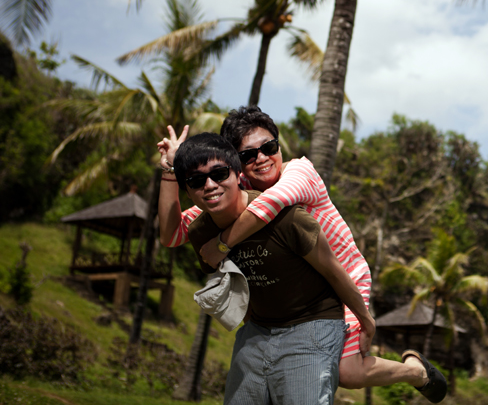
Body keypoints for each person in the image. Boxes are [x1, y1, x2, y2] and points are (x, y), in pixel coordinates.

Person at [157, 107, 446, 402]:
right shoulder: (234, 185)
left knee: (348, 373)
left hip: (343, 275)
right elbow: (176, 232)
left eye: (269, 147)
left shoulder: (299, 172)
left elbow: (270, 205)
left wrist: (220, 245)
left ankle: (415, 371)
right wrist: (172, 169)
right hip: (297, 289)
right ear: (236, 163)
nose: (262, 158)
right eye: (248, 155)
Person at [169, 132, 373, 405]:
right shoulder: (202, 230)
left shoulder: (288, 214)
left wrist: (366, 320)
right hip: (258, 330)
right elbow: (170, 234)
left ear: (236, 174)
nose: (209, 185)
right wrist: (167, 170)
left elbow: (333, 271)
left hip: (312, 323)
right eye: (196, 181)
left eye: (219, 174)